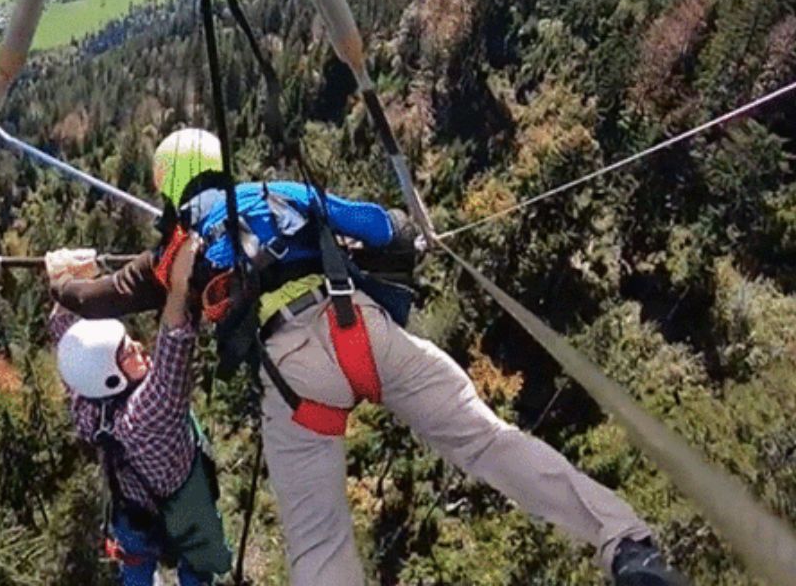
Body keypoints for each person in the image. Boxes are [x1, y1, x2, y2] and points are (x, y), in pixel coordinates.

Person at [49, 128, 689, 586]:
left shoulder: (170, 256)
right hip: (363, 330)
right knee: (487, 440)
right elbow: (384, 227)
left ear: (165, 187)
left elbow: (95, 298)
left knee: (320, 544)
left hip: (295, 382)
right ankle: (626, 545)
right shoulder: (278, 194)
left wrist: (59, 279)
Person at [44, 239, 231, 586]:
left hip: (133, 514)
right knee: (198, 567)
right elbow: (175, 337)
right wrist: (180, 280)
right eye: (128, 352)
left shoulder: (87, 399)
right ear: (111, 375)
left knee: (135, 565)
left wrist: (65, 279)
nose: (140, 348)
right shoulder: (150, 412)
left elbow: (69, 336)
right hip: (187, 510)